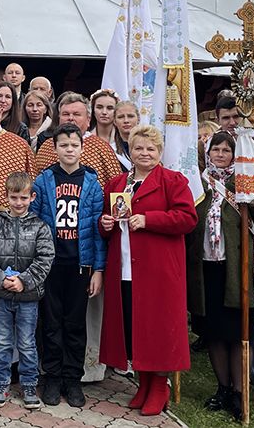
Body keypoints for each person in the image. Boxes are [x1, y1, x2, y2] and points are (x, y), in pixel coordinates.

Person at [98, 124, 197, 416]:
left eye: (150, 149)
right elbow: (110, 221)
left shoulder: (173, 181)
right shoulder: (118, 184)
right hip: (125, 266)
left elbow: (187, 218)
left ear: (160, 151)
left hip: (159, 271)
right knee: (133, 326)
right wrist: (105, 225)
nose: (144, 153)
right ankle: (143, 382)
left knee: (157, 328)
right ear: (130, 150)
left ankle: (160, 385)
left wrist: (149, 219)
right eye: (138, 148)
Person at [188, 132, 254, 422]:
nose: (221, 154)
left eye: (227, 150)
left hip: (237, 270)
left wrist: (253, 198)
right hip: (206, 268)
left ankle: (241, 392)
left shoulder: (246, 182)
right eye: (216, 149)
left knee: (238, 333)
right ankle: (223, 388)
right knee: (213, 331)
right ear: (208, 152)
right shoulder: (197, 184)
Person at [31, 123, 106, 408]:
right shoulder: (44, 180)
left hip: (80, 264)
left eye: (74, 145)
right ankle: (52, 376)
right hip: (51, 264)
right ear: (56, 148)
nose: (69, 149)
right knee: (51, 322)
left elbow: (98, 230)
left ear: (82, 148)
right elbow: (34, 222)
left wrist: (98, 269)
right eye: (64, 145)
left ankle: (73, 378)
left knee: (75, 323)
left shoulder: (91, 182)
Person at [0, 172, 54, 409]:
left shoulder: (40, 227)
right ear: (6, 197)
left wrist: (24, 281)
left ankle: (29, 384)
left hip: (28, 297)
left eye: (23, 198)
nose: (18, 203)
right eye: (14, 198)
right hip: (2, 295)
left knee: (26, 342)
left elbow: (45, 258)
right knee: (2, 341)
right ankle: (2, 383)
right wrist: (0, 280)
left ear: (32, 197)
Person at [32, 92, 123, 188]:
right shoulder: (46, 147)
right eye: (66, 114)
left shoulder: (102, 148)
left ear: (88, 120)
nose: (70, 118)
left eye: (76, 114)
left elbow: (116, 186)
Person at [111, 100, 140, 171]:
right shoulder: (110, 150)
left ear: (138, 119)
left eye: (130, 116)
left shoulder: (150, 146)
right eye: (120, 117)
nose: (126, 120)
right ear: (114, 121)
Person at [89, 89, 119, 153]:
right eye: (99, 107)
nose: (104, 112)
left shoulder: (123, 139)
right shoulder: (85, 138)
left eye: (110, 108)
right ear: (93, 110)